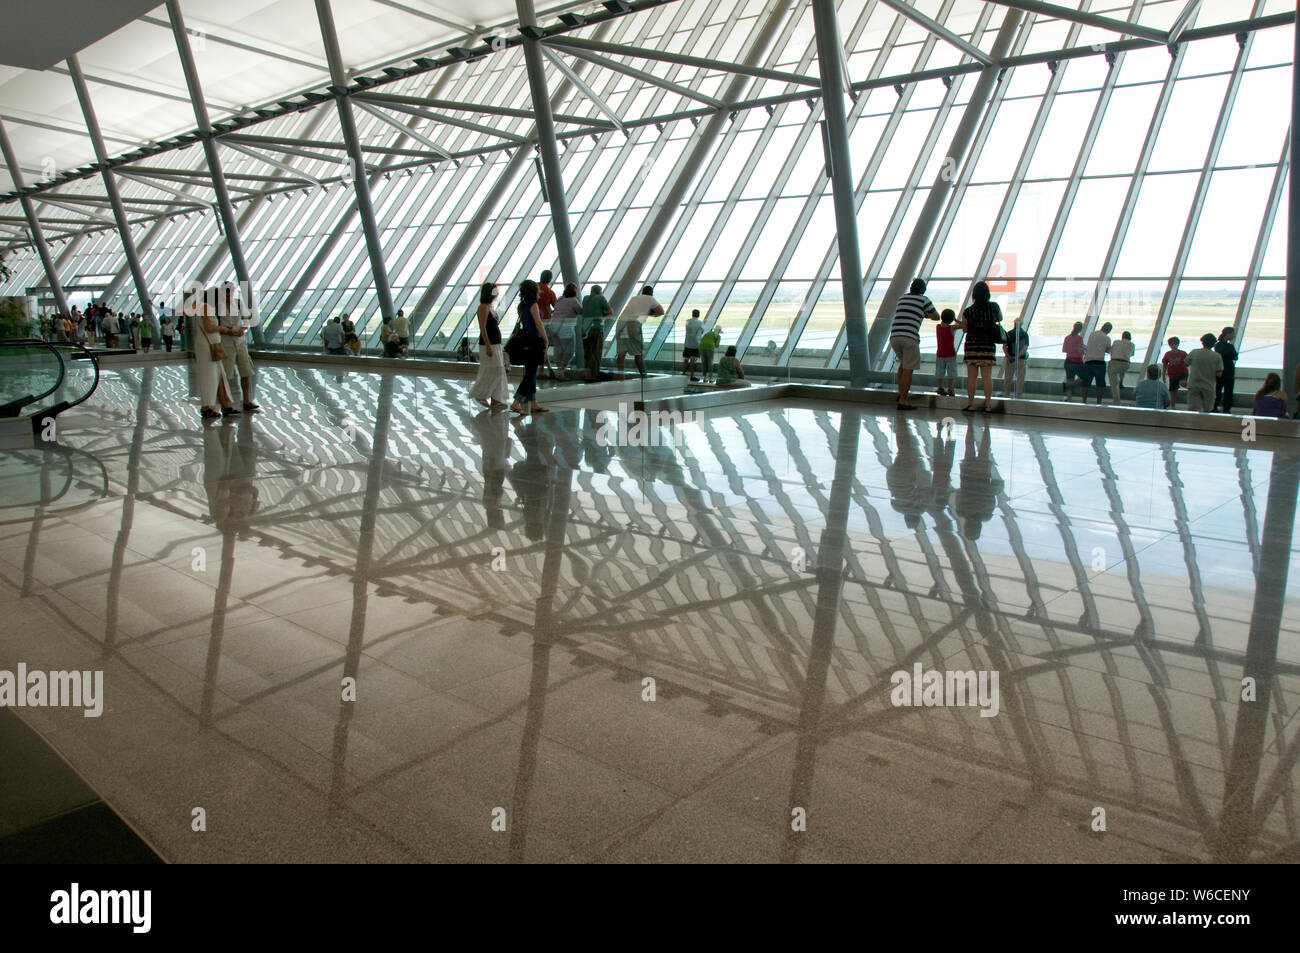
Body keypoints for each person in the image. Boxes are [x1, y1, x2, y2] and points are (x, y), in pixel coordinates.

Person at [887, 278, 940, 409]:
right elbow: (936, 316)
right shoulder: (924, 300)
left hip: (894, 336)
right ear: (923, 290)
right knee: (908, 369)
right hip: (909, 337)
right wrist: (925, 314)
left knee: (903, 365)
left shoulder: (902, 298)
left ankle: (901, 394)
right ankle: (904, 400)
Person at [191, 286, 238, 420]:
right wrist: (222, 328)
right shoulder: (205, 307)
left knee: (219, 375)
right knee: (210, 377)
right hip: (206, 347)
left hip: (212, 345)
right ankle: (207, 407)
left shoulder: (207, 307)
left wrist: (222, 329)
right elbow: (208, 327)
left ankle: (224, 405)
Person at [955, 281, 1000, 413]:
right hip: (987, 346)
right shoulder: (994, 307)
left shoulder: (968, 311)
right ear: (988, 294)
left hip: (972, 346)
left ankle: (971, 404)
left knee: (972, 377)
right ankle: (988, 405)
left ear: (974, 295)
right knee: (987, 377)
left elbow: (964, 329)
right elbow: (1000, 319)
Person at [217, 282, 260, 412]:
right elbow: (215, 326)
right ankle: (225, 403)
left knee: (245, 371)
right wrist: (227, 331)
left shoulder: (239, 303)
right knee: (226, 373)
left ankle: (246, 400)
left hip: (240, 342)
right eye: (227, 291)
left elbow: (246, 321)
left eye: (231, 291)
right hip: (226, 342)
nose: (229, 294)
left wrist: (242, 329)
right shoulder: (217, 307)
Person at [511, 279, 549, 416]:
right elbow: (538, 324)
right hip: (534, 341)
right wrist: (546, 339)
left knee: (531, 372)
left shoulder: (521, 305)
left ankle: (533, 402)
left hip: (525, 341)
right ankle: (516, 402)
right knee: (531, 373)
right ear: (534, 290)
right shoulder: (533, 305)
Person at [469, 282, 509, 410]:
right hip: (488, 344)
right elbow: (483, 328)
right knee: (492, 370)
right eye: (494, 291)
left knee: (499, 371)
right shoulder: (483, 307)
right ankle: (480, 394)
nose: (497, 294)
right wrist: (487, 346)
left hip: (495, 343)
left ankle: (496, 399)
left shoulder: (490, 307)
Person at [617, 284, 664, 377]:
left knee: (621, 353)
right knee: (638, 352)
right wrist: (648, 313)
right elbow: (661, 312)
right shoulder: (650, 299)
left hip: (621, 324)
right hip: (633, 324)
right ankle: (643, 375)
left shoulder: (634, 298)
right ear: (651, 293)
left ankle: (620, 377)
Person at [549, 283, 581, 380]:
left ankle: (559, 371)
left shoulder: (560, 299)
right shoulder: (574, 301)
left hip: (554, 327)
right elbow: (581, 311)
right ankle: (561, 371)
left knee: (558, 350)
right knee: (569, 351)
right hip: (566, 329)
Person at [580, 284, 612, 379]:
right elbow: (610, 311)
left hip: (586, 330)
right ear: (600, 291)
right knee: (597, 352)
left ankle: (587, 373)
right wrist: (602, 313)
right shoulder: (600, 298)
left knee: (588, 352)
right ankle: (595, 374)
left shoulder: (585, 298)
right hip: (597, 328)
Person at [1185, 333, 1223, 412]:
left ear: (1202, 342)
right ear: (1213, 344)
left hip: (1194, 384)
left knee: (1193, 409)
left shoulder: (1194, 352)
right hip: (1209, 385)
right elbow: (1219, 374)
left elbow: (1185, 363)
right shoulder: (1217, 356)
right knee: (1208, 410)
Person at [1081, 321, 1111, 404]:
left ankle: (1084, 400)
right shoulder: (1107, 338)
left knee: (1086, 383)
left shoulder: (1092, 334)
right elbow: (1108, 350)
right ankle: (1099, 402)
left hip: (1088, 361)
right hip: (1099, 363)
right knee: (1100, 384)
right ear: (1109, 330)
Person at [537, 270, 558, 378]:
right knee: (544, 345)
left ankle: (543, 369)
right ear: (549, 279)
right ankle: (546, 369)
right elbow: (556, 307)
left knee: (541, 346)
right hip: (545, 320)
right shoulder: (550, 292)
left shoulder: (534, 289)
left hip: (534, 320)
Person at [1001, 317, 1029, 399]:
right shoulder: (1024, 334)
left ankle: (1007, 394)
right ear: (1021, 325)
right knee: (1020, 378)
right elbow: (1025, 348)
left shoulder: (1009, 333)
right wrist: (1018, 356)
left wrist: (1009, 356)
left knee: (1008, 378)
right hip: (1021, 359)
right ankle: (1018, 395)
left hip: (1010, 359)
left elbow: (1004, 346)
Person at [1213, 326, 1238, 413]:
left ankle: (1215, 406)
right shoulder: (1230, 346)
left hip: (1220, 370)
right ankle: (1226, 408)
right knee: (1228, 391)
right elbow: (1235, 356)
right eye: (1232, 333)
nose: (1234, 335)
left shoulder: (1218, 346)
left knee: (1217, 390)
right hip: (1228, 371)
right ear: (1228, 334)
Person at [1161, 337, 1188, 408]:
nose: (1174, 346)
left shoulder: (1183, 353)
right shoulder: (1167, 354)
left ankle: (1191, 388)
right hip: (1172, 374)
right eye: (1172, 344)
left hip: (1182, 373)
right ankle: (1173, 406)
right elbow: (1165, 364)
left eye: (1175, 344)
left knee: (1183, 383)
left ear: (1178, 344)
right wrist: (1163, 375)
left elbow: (1187, 362)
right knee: (1173, 391)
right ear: (1170, 345)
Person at [1108, 330, 1135, 403]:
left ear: (1122, 337)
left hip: (1114, 362)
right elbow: (1132, 354)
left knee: (1114, 384)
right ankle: (1121, 382)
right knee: (1121, 369)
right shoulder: (1132, 344)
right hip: (1125, 363)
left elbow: (1111, 351)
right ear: (1130, 338)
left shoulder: (1116, 342)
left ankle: (1116, 401)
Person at [935, 309, 957, 396]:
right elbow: (964, 325)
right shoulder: (952, 327)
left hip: (940, 354)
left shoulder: (938, 326)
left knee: (940, 371)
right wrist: (956, 320)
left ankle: (940, 387)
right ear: (952, 319)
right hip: (951, 354)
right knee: (951, 371)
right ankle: (950, 388)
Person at [1061, 321, 1085, 400]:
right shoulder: (1079, 338)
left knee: (1070, 378)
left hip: (1068, 361)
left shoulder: (1067, 337)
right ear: (1080, 329)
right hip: (1077, 362)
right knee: (1085, 377)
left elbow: (1064, 350)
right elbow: (1080, 351)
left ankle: (1069, 399)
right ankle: (1068, 384)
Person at [682, 309, 704, 381]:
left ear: (692, 314)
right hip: (696, 344)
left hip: (687, 343)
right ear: (698, 315)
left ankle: (683, 373)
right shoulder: (700, 323)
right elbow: (702, 331)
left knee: (686, 359)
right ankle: (692, 375)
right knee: (693, 360)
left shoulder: (688, 321)